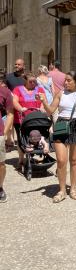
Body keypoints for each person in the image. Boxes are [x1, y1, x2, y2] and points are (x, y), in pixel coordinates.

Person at [39, 71, 76, 203]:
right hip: (62, 124)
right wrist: (44, 101)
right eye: (65, 80)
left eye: (69, 80)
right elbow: (50, 111)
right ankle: (62, 190)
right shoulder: (60, 93)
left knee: (74, 160)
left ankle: (73, 189)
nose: (66, 82)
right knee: (61, 161)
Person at [12, 72, 46, 168]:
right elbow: (15, 101)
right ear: (25, 81)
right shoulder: (17, 89)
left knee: (36, 136)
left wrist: (42, 107)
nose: (33, 83)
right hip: (21, 119)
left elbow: (44, 101)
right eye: (30, 82)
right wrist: (20, 108)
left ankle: (37, 153)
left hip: (36, 119)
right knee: (21, 138)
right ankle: (21, 159)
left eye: (34, 81)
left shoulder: (39, 89)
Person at [0, 74, 14, 203]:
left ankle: (0, 187)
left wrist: (5, 133)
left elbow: (10, 113)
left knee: (1, 164)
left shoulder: (4, 91)